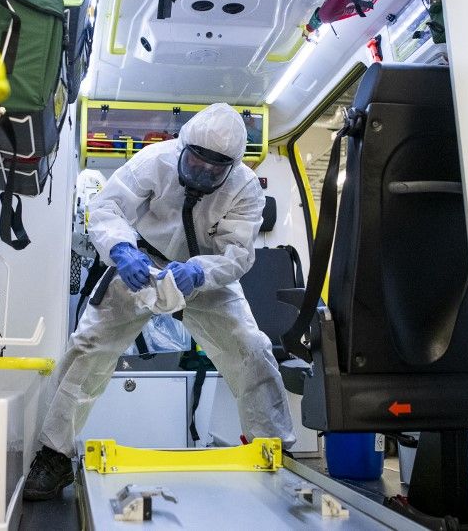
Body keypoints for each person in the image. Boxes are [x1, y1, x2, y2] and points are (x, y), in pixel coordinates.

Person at [23, 103, 296, 501]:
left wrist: (200, 272)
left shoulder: (245, 188)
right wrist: (121, 250)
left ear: (231, 167)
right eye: (196, 160)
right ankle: (54, 455)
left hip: (203, 273)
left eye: (214, 168)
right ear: (183, 147)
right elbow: (108, 207)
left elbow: (238, 254)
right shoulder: (155, 160)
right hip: (141, 262)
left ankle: (272, 451)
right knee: (87, 348)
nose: (202, 171)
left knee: (252, 349)